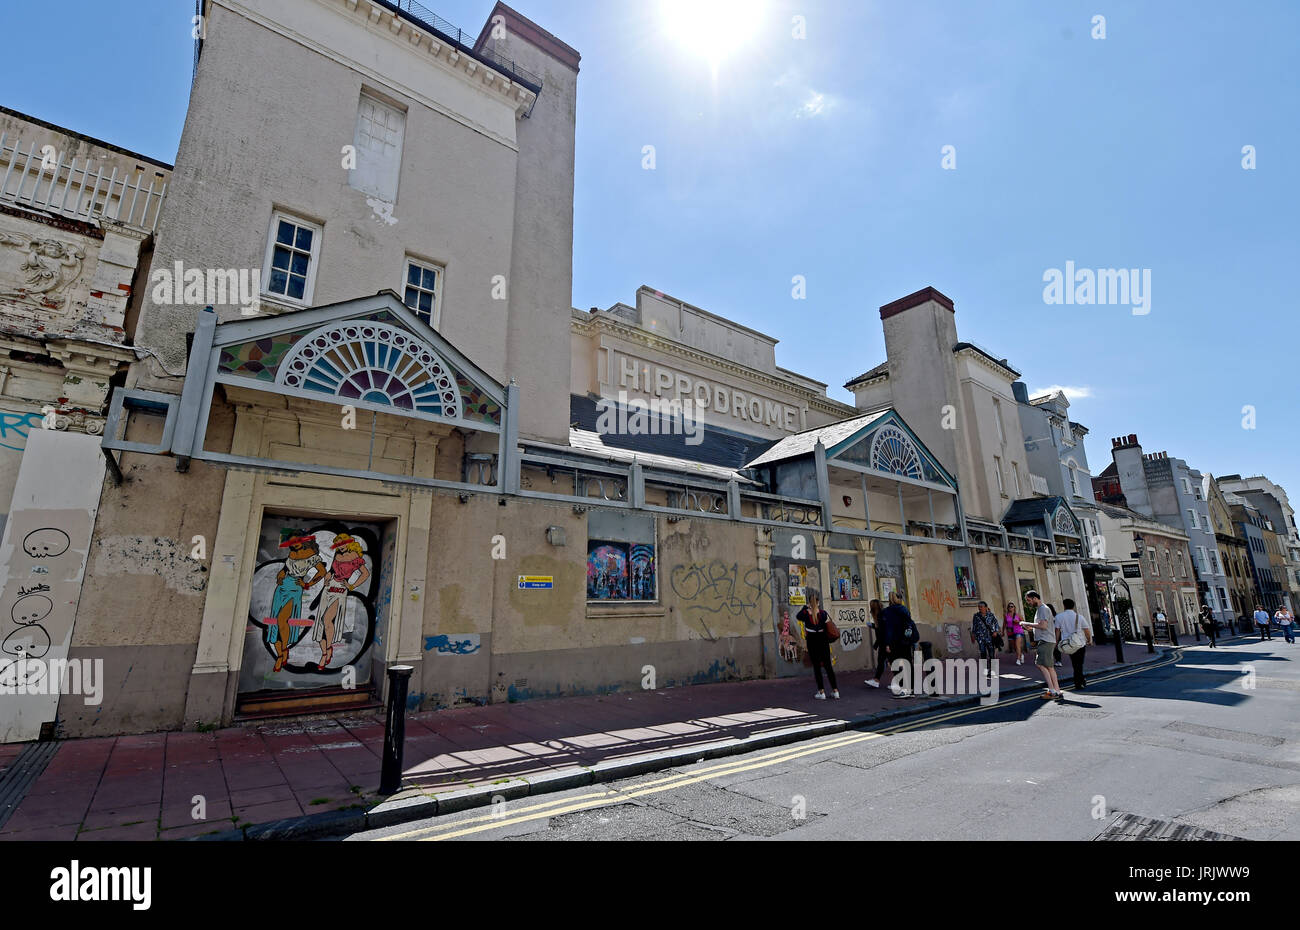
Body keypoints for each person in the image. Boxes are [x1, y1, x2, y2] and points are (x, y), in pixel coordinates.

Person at [873, 591, 918, 697]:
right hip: (905, 641)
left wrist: (887, 644)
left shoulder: (887, 612)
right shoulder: (904, 609)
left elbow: (889, 630)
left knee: (894, 664)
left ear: (890, 599)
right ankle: (911, 689)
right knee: (908, 664)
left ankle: (903, 687)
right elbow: (909, 624)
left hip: (894, 642)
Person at [798, 592, 839, 700]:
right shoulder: (823, 613)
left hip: (812, 642)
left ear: (809, 603)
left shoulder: (806, 613)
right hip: (823, 641)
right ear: (819, 602)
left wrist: (805, 607)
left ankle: (821, 692)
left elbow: (798, 616)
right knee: (828, 666)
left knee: (817, 667)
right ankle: (835, 691)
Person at [1024, 591, 1062, 700]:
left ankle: (1052, 691)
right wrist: (1030, 628)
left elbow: (1044, 626)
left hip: (1045, 640)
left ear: (1035, 598)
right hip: (1047, 640)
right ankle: (1056, 690)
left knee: (1040, 664)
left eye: (1029, 600)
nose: (1028, 603)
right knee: (1049, 667)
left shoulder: (1043, 609)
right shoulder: (1041, 609)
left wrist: (1026, 623)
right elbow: (1041, 625)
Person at [1054, 598, 1093, 691]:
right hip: (1080, 643)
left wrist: (1056, 643)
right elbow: (1086, 630)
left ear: (1064, 606)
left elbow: (1057, 631)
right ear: (1073, 606)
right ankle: (1079, 682)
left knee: (1075, 663)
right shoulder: (1080, 617)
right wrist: (1089, 640)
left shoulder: (1059, 617)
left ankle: (1080, 680)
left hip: (1068, 644)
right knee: (1079, 664)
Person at [970, 601, 999, 678]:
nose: (980, 608)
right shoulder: (976, 616)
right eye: (979, 607)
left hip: (990, 637)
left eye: (981, 606)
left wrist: (995, 631)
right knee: (983, 654)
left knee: (991, 655)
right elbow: (974, 626)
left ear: (986, 607)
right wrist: (973, 635)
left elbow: (996, 623)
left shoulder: (991, 615)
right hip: (980, 638)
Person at [864, 598, 888, 688]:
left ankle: (876, 680)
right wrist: (873, 625)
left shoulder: (880, 616)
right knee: (884, 662)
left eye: (871, 607)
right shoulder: (882, 615)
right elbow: (881, 629)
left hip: (885, 643)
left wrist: (877, 644)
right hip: (885, 642)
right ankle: (877, 680)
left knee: (882, 662)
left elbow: (882, 632)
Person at [1004, 601, 1027, 665]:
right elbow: (1004, 623)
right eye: (1009, 607)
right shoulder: (1006, 615)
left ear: (1014, 608)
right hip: (1010, 632)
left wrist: (1018, 621)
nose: (1010, 608)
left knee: (1017, 645)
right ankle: (1021, 654)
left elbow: (1023, 622)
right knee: (1014, 647)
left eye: (1012, 606)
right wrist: (1003, 631)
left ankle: (1018, 659)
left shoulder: (1018, 615)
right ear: (1008, 608)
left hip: (1018, 631)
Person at [1047, 603, 1063, 667]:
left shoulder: (1056, 616)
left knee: (1056, 647)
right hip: (1049, 633)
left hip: (1056, 633)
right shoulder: (1046, 616)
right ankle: (1051, 661)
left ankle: (1058, 661)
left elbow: (1058, 627)